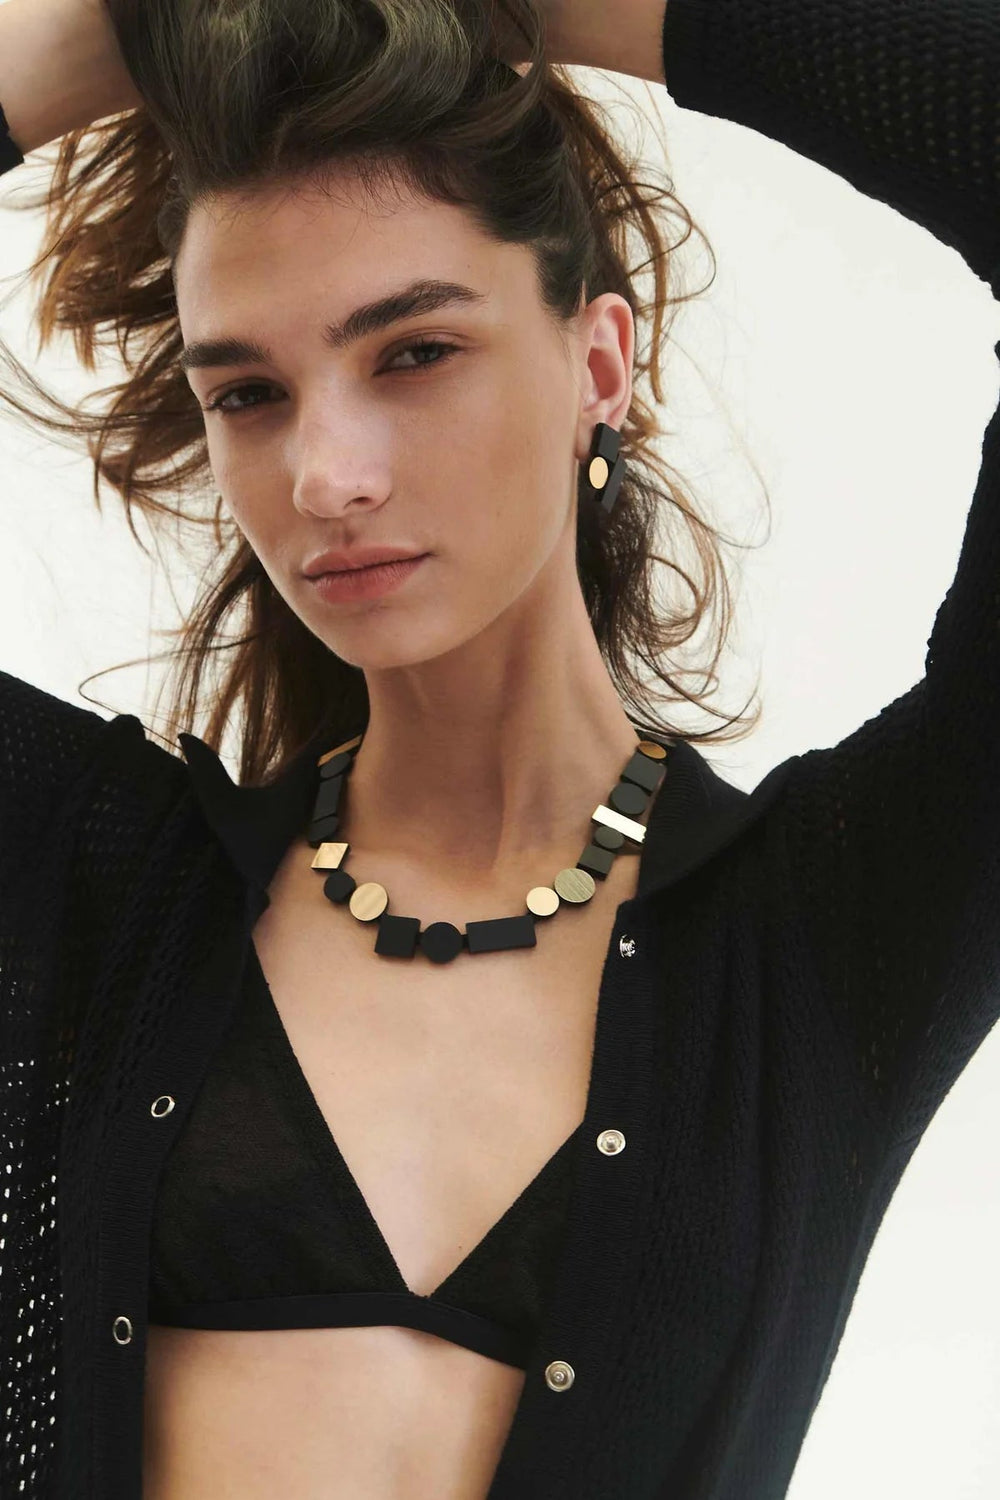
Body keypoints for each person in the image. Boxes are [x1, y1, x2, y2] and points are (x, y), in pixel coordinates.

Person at [0, 0, 997, 1498]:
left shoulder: (832, 943)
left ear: (601, 363)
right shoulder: (84, 895)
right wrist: (93, 36)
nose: (327, 474)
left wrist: (545, 5)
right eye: (248, 393)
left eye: (413, 351)